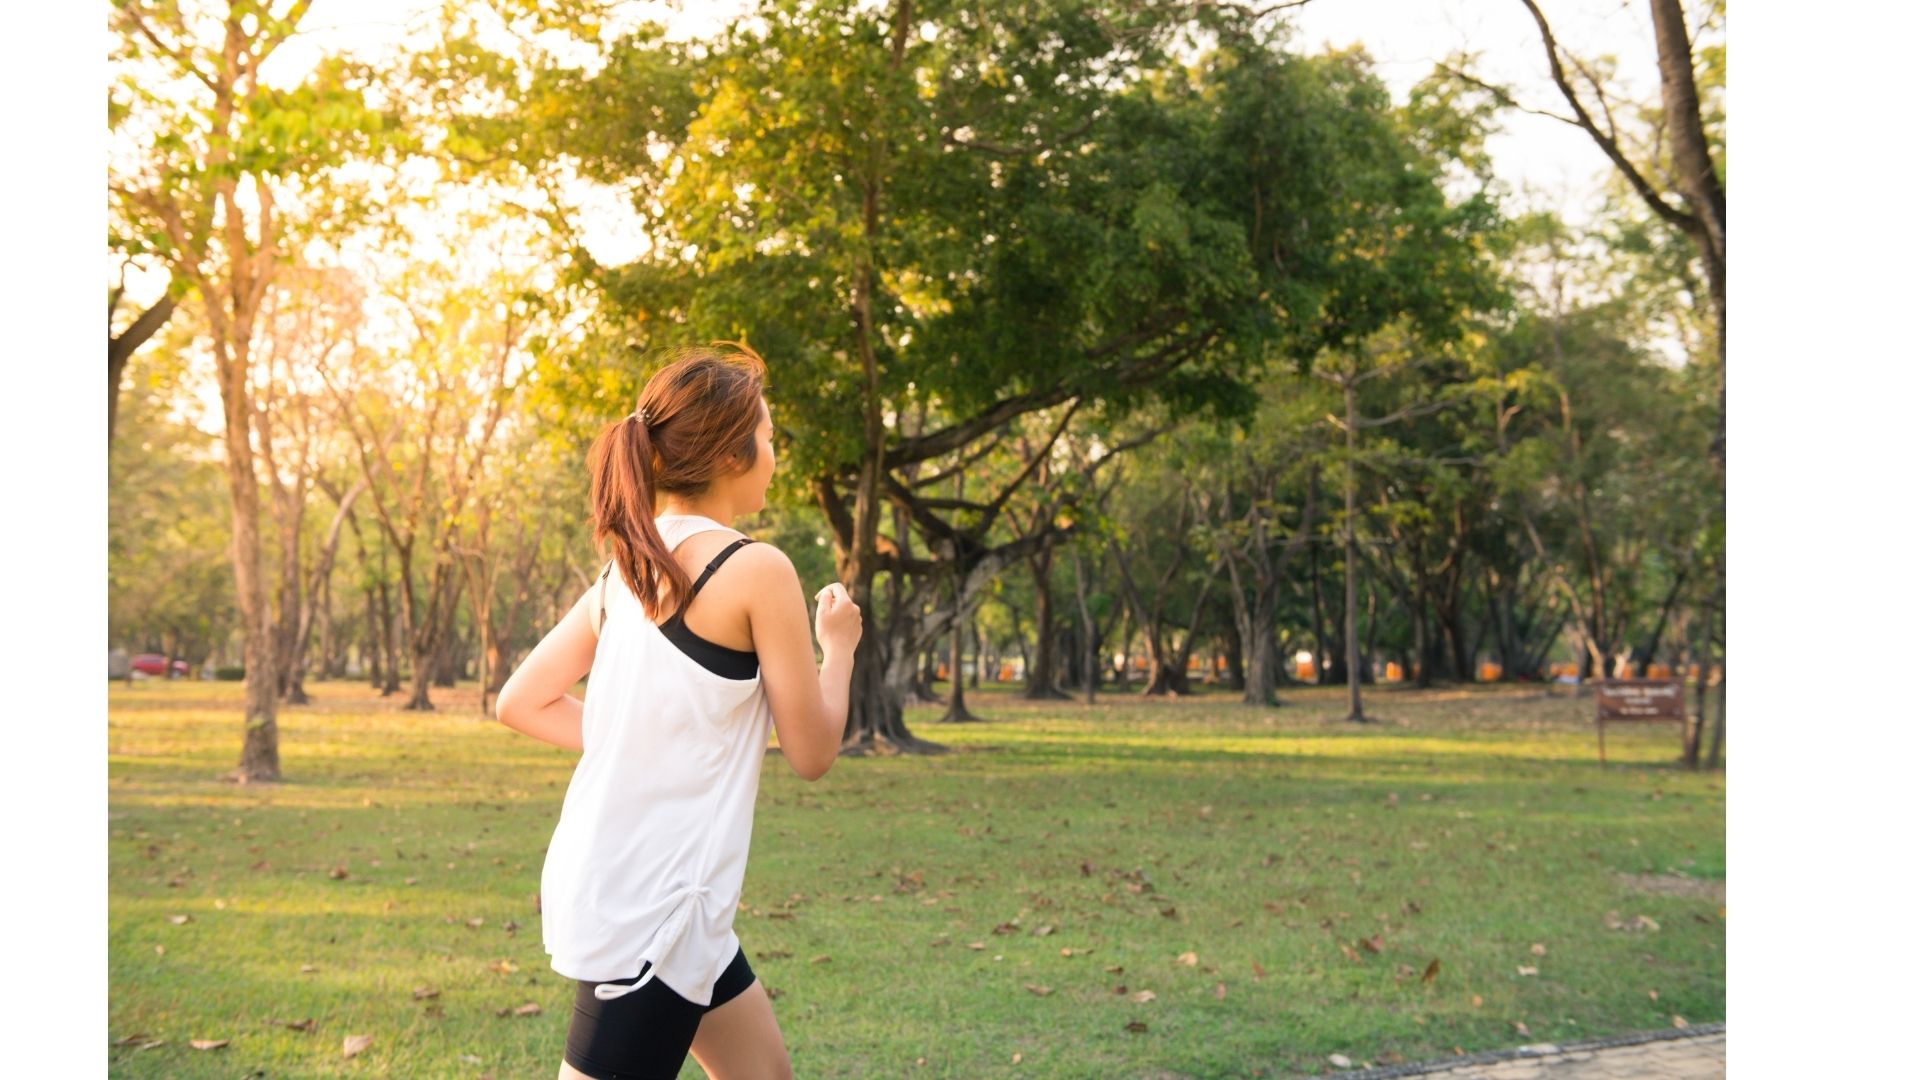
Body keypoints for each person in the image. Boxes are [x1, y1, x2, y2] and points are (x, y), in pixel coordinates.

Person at [496, 342, 861, 1080]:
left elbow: (521, 701)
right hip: (653, 913)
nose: (774, 454)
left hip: (669, 901)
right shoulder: (756, 569)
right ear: (730, 453)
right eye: (766, 437)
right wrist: (840, 646)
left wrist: (641, 742)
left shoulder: (626, 568)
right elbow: (814, 751)